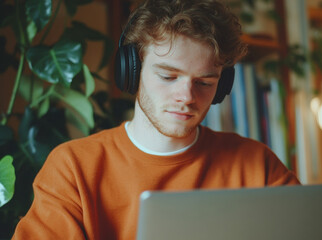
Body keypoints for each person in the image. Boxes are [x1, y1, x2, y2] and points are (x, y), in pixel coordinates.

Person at [13, 0, 300, 239]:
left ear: (222, 86)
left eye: (204, 82)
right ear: (132, 71)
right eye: (168, 76)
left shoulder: (256, 165)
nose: (186, 96)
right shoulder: (73, 168)